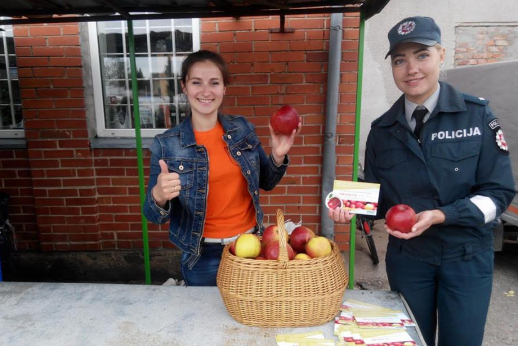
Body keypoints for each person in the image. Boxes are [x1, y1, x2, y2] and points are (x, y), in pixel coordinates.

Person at [329, 16, 514, 346]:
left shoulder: (476, 116)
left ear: (441, 54)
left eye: (422, 55)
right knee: (409, 339)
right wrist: (346, 205)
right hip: (409, 260)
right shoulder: (383, 131)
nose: (411, 68)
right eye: (400, 60)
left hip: (466, 258)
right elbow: (379, 200)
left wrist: (443, 215)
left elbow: (498, 194)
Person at [143, 50, 300, 286]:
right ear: (184, 87)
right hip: (202, 254)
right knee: (205, 319)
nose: (206, 91)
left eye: (214, 83)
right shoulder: (167, 144)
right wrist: (158, 195)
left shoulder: (242, 129)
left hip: (250, 245)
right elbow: (152, 214)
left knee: (251, 315)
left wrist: (277, 156)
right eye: (197, 82)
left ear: (224, 88)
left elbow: (266, 182)